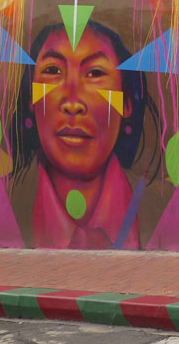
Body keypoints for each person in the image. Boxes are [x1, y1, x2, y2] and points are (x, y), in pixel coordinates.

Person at [9, 20, 160, 249]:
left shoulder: (171, 207)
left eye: (95, 73)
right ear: (31, 96)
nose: (72, 103)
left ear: (126, 102)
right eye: (52, 70)